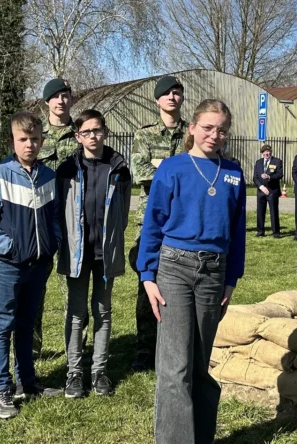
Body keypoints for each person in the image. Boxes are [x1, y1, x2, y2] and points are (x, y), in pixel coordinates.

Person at [137, 99, 245, 444]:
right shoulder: (172, 168)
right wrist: (147, 275)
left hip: (214, 272)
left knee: (199, 364)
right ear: (193, 128)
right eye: (208, 127)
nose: (215, 135)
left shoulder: (233, 173)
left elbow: (237, 230)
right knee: (175, 367)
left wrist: (231, 278)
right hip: (175, 269)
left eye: (222, 129)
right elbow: (152, 224)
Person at [0, 112, 62, 420]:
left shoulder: (50, 177)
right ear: (13, 140)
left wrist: (53, 243)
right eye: (24, 139)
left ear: (42, 141)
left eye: (35, 139)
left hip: (39, 265)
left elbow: (55, 219)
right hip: (9, 266)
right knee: (3, 326)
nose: (30, 145)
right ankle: (1, 388)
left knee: (27, 324)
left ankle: (28, 381)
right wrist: (9, 247)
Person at [56, 109, 132, 399]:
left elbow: (123, 213)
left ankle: (99, 371)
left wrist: (112, 240)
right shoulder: (67, 170)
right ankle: (74, 374)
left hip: (106, 254)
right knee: (76, 313)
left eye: (97, 130)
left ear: (105, 132)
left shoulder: (119, 168)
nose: (92, 136)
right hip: (77, 253)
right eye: (86, 132)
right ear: (78, 136)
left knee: (103, 312)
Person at [129, 75, 186, 372]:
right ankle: (145, 349)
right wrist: (176, 171)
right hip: (151, 220)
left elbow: (199, 172)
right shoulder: (146, 134)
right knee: (146, 282)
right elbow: (140, 171)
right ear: (157, 100)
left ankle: (174, 345)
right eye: (167, 93)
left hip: (185, 221)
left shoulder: (192, 133)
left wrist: (161, 166)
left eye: (177, 92)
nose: (173, 97)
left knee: (181, 282)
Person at [34, 77, 81, 358]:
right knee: (35, 286)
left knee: (73, 287)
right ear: (47, 102)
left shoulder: (80, 132)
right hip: (41, 217)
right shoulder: (37, 132)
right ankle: (31, 347)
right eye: (56, 96)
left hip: (73, 218)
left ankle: (75, 349)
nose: (62, 101)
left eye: (66, 95)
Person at [254, 144, 283, 238]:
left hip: (272, 190)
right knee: (260, 211)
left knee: (273, 211)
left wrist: (269, 177)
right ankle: (260, 231)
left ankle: (276, 232)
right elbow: (255, 177)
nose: (267, 153)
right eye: (265, 152)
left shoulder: (277, 161)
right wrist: (261, 187)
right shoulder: (258, 162)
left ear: (271, 152)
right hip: (261, 190)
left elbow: (280, 175)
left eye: (268, 151)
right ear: (262, 153)